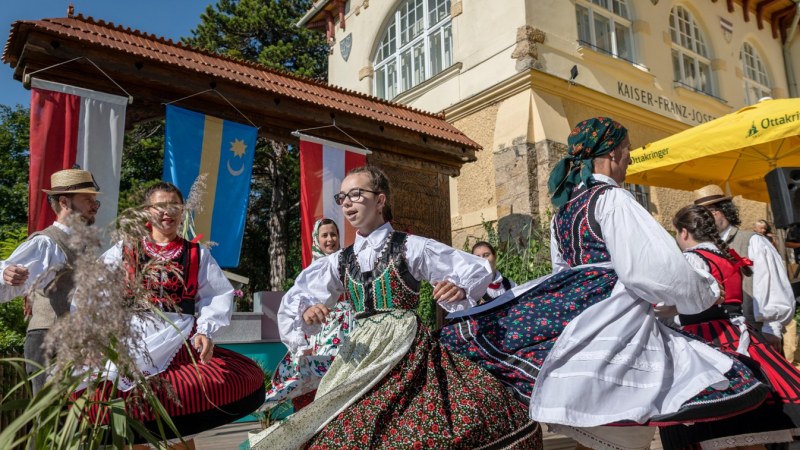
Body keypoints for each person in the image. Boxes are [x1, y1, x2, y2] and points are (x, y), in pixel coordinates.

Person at [440, 117, 769, 450]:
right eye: (628, 153)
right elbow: (653, 271)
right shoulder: (613, 200)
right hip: (616, 322)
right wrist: (704, 291)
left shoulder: (565, 211)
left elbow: (563, 272)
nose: (628, 161)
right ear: (614, 153)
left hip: (584, 324)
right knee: (705, 381)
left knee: (602, 415)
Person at [250, 165, 541, 449]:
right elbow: (299, 295)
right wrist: (306, 312)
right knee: (337, 425)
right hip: (359, 351)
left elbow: (475, 268)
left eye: (355, 194)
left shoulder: (410, 246)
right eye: (342, 198)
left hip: (407, 350)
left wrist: (462, 287)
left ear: (380, 200)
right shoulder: (340, 260)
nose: (347, 203)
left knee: (419, 423)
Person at [90, 182, 265, 448]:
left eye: (174, 206)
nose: (167, 212)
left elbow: (217, 294)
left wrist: (206, 330)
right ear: (147, 211)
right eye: (160, 206)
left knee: (180, 417)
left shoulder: (196, 253)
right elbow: (96, 290)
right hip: (133, 340)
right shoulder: (126, 250)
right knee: (133, 419)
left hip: (178, 339)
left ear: (183, 211)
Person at [658, 204, 800, 448]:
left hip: (705, 339)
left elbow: (682, 300)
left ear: (683, 232)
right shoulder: (726, 255)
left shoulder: (692, 258)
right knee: (748, 421)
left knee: (712, 420)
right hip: (739, 336)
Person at [0, 168, 101, 394]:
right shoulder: (46, 243)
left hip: (78, 342)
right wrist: (5, 273)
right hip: (49, 340)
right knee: (52, 421)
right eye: (87, 200)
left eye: (95, 201)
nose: (94, 206)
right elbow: (6, 281)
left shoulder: (85, 244)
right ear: (64, 202)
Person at [266, 218, 354, 412]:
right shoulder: (311, 274)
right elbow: (294, 308)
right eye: (325, 235)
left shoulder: (349, 264)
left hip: (349, 334)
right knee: (314, 395)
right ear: (316, 240)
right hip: (321, 335)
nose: (330, 239)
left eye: (334, 234)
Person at [694, 185, 795, 351]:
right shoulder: (704, 247)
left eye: (704, 215)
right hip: (722, 336)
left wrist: (771, 328)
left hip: (756, 332)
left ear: (717, 212)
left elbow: (771, 284)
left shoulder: (752, 241)